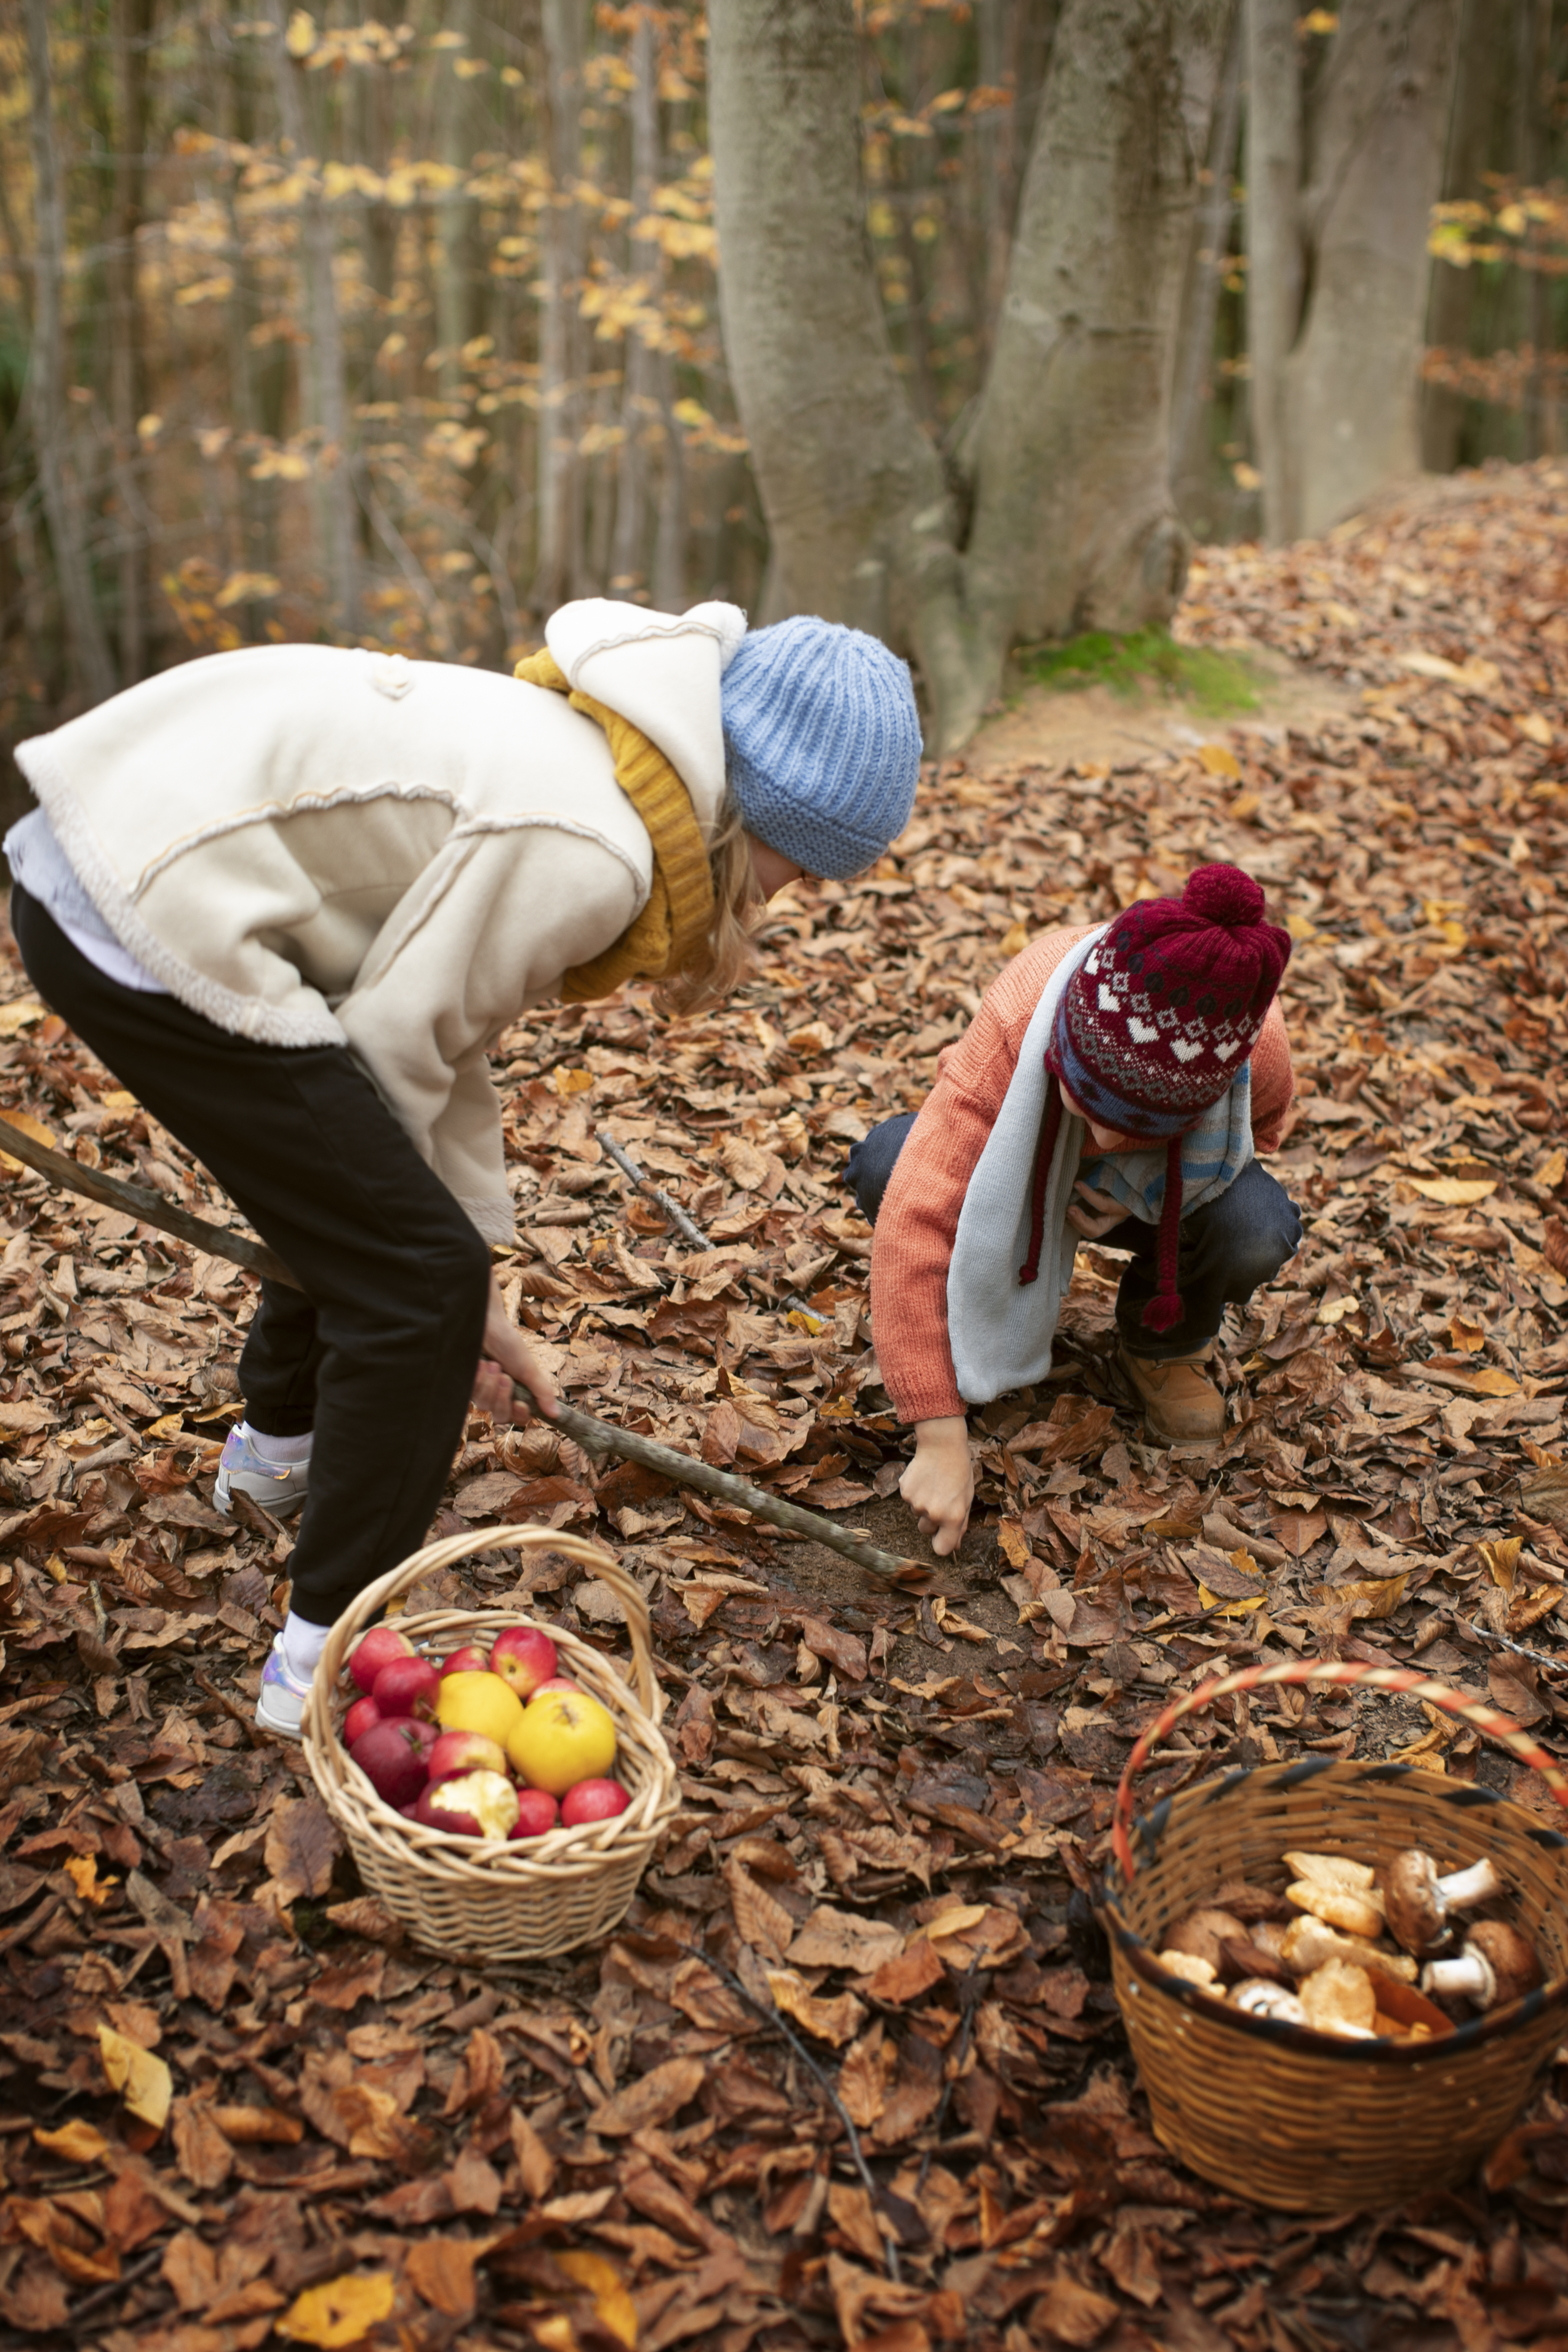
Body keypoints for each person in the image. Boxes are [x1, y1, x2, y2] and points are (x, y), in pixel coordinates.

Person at [4, 600, 921, 1734]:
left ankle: (275, 1457)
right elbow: (393, 1067)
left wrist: (460, 1258)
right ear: (757, 812)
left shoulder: (604, 760)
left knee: (392, 1232)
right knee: (415, 1279)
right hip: (144, 908)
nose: (807, 896)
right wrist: (457, 1299)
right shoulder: (597, 848)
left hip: (108, 861)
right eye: (810, 866)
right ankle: (327, 1658)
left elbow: (431, 1035)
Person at [848, 865, 1299, 1559]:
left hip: (1148, 1203)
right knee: (887, 1163)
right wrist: (939, 1433)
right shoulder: (1027, 1006)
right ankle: (964, 1317)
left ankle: (1164, 1344)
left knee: (1256, 1224)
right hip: (1021, 1165)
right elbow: (915, 1213)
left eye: (1139, 1123)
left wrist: (1142, 1188)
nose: (1112, 1138)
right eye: (1093, 1103)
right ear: (1065, 1048)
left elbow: (1257, 1139)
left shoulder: (1254, 1042)